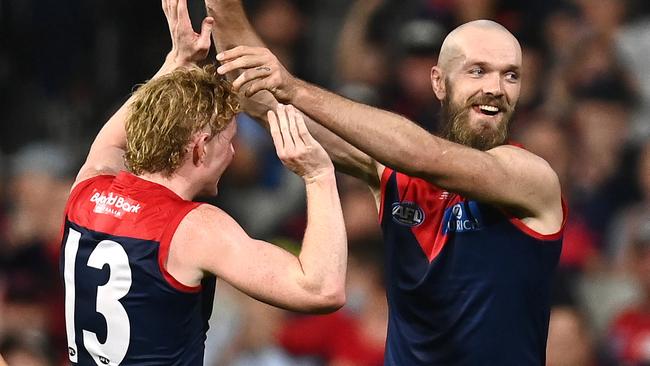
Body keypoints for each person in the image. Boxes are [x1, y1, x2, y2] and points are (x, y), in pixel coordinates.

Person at [206, 0, 566, 364]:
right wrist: (222, 8)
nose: (496, 87)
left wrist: (294, 88)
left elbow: (424, 155)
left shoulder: (532, 178)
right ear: (439, 83)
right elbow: (262, 97)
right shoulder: (394, 172)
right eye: (478, 71)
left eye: (511, 75)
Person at [59, 0, 347, 364]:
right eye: (229, 141)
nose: (232, 154)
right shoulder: (194, 229)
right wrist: (319, 175)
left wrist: (176, 61)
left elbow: (115, 139)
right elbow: (321, 290)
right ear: (199, 149)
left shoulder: (87, 190)